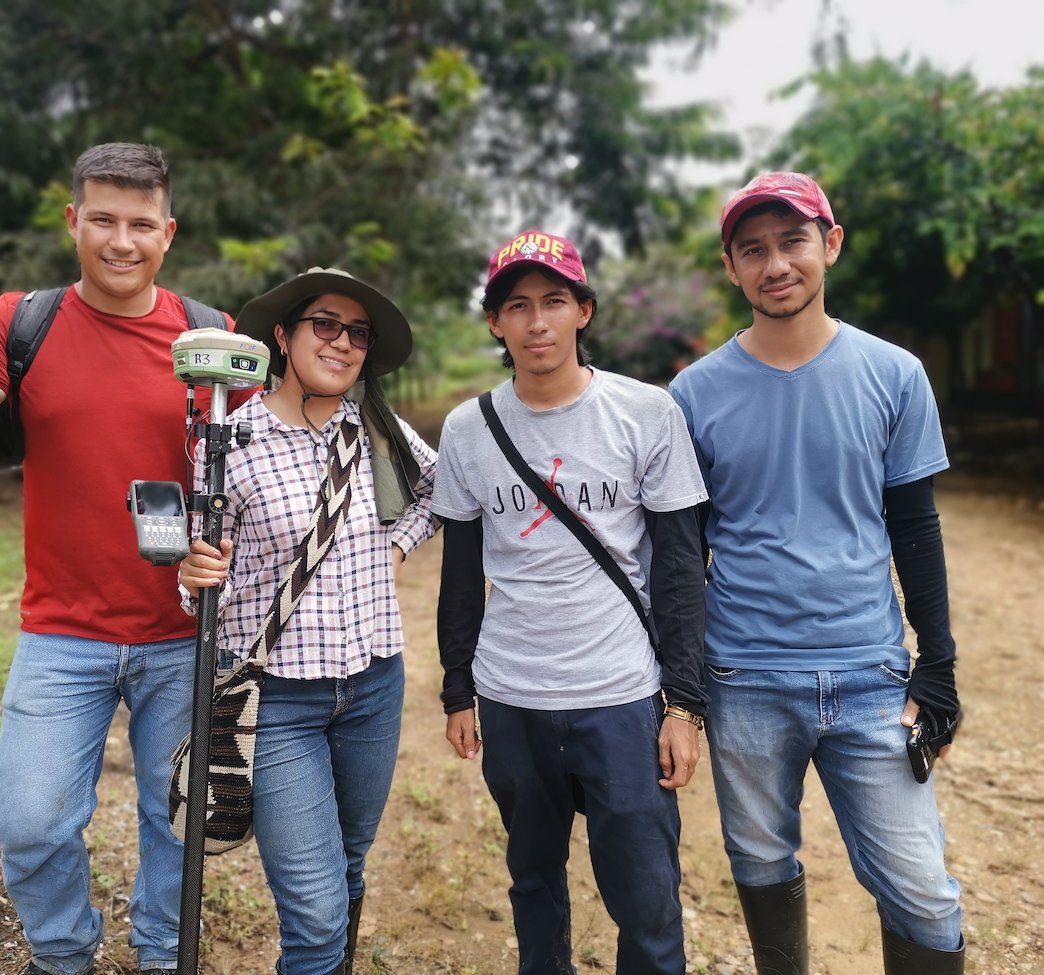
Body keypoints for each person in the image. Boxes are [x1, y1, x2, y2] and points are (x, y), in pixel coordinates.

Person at [0, 143, 254, 975]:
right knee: (32, 819)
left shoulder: (215, 337)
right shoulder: (19, 321)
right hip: (63, 632)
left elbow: (255, 469)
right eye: (102, 220)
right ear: (73, 221)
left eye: (139, 224)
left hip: (184, 629)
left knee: (176, 816)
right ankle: (63, 955)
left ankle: (165, 952)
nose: (120, 241)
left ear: (168, 232)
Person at [667, 171, 964, 973]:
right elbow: (683, 555)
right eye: (752, 250)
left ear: (829, 245)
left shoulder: (894, 374)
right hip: (744, 675)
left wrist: (936, 664)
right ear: (731, 267)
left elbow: (915, 523)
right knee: (762, 862)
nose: (775, 264)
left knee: (924, 891)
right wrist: (684, 691)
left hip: (869, 672)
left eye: (792, 241)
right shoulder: (692, 396)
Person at [431, 230, 710, 975]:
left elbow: (682, 568)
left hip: (621, 696)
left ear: (584, 310)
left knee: (647, 898)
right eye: (516, 306)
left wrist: (684, 704)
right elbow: (461, 572)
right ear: (494, 323)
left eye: (554, 301)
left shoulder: (646, 413)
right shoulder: (467, 430)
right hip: (512, 693)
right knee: (534, 883)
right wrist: (458, 684)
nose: (537, 322)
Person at [177, 268, 437, 975]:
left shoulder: (378, 428)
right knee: (317, 916)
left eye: (358, 333)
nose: (344, 342)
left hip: (375, 684)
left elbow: (438, 492)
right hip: (280, 700)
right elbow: (202, 580)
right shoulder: (229, 440)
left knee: (351, 864)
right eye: (326, 324)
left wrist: (396, 545)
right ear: (284, 336)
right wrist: (195, 576)